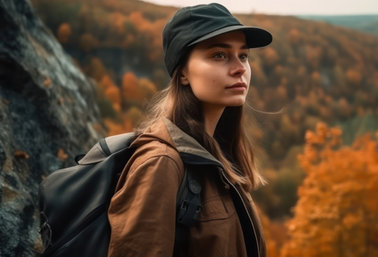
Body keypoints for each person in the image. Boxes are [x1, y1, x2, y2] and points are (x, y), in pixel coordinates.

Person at [107, 3, 272, 257]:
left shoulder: (220, 154)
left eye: (244, 55)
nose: (240, 68)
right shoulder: (161, 164)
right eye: (219, 54)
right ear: (183, 72)